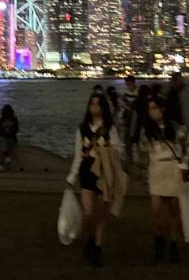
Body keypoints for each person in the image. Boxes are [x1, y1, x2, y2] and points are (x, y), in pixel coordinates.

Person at [66, 93, 127, 268]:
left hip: (104, 172)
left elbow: (119, 150)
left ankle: (97, 249)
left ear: (103, 107)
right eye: (91, 103)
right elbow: (78, 154)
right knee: (89, 213)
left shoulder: (110, 128)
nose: (94, 106)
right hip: (87, 170)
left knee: (101, 214)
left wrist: (105, 150)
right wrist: (72, 176)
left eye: (98, 104)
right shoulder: (82, 128)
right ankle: (91, 239)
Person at [144, 94, 189, 264]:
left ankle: (173, 245)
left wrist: (185, 163)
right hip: (156, 169)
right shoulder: (147, 130)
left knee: (173, 210)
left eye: (154, 108)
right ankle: (159, 239)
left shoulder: (176, 128)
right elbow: (142, 151)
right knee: (156, 209)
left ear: (162, 109)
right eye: (149, 109)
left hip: (173, 168)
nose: (151, 112)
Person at [0, 104, 19, 171]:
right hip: (5, 137)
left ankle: (2, 163)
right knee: (2, 140)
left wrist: (7, 134)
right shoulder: (1, 120)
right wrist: (6, 134)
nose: (7, 114)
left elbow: (15, 130)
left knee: (3, 143)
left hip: (11, 138)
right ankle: (6, 158)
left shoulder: (14, 120)